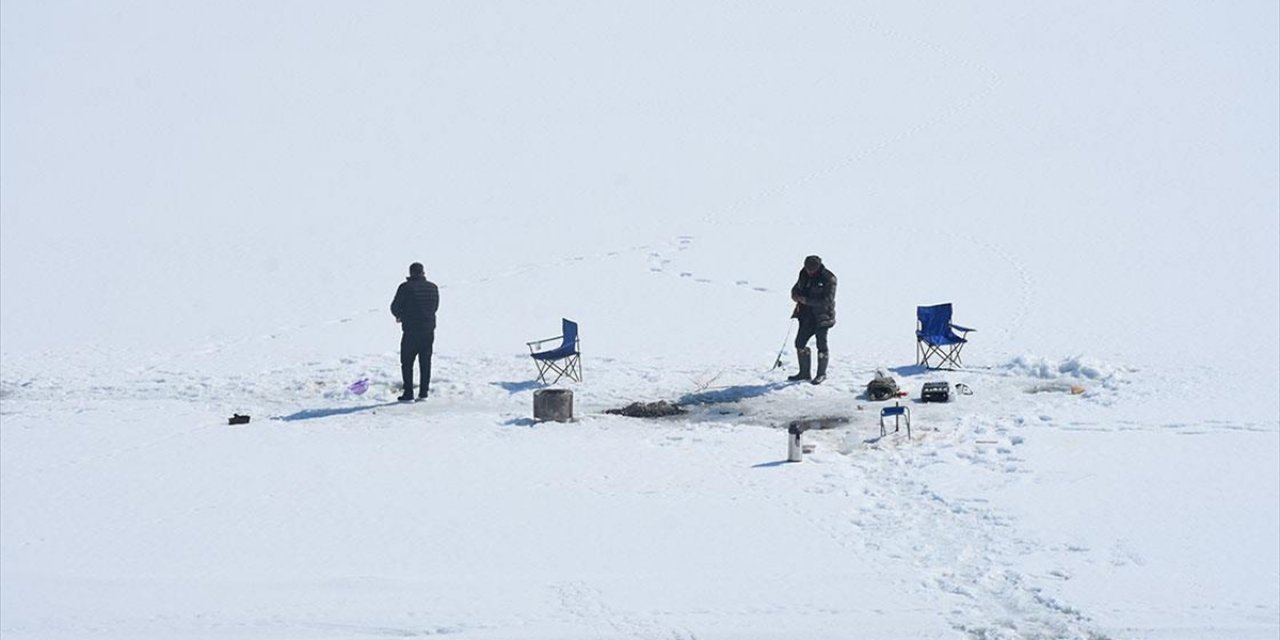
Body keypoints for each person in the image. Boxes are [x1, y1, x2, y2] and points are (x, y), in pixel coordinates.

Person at [390, 262, 439, 402]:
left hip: (411, 330)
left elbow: (395, 307)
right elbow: (435, 307)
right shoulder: (433, 287)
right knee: (425, 362)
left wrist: (400, 316)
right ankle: (423, 393)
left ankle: (408, 393)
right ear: (423, 272)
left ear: (411, 273)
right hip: (428, 330)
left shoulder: (405, 288)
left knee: (407, 362)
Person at [789, 254, 837, 384]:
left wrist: (806, 300)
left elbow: (827, 300)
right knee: (800, 343)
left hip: (823, 316)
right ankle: (804, 373)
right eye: (807, 269)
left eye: (812, 269)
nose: (809, 271)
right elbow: (797, 287)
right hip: (806, 315)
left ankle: (821, 374)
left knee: (821, 344)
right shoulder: (803, 273)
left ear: (818, 267)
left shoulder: (829, 278)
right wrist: (794, 295)